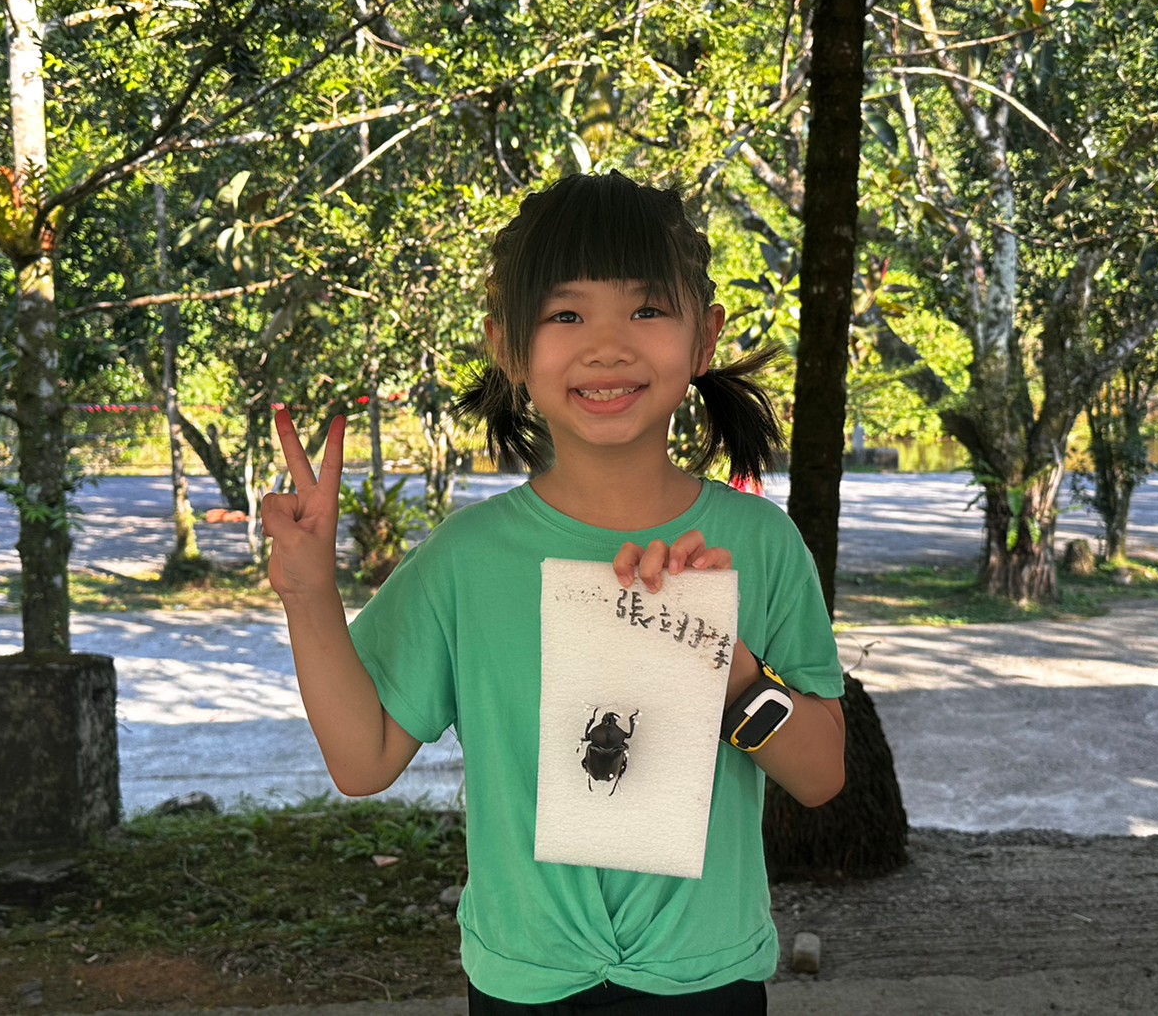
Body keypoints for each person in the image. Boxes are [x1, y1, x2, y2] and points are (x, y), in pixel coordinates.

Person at [264, 171, 846, 1015]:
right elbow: (363, 762)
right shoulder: (467, 559)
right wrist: (309, 591)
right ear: (507, 345)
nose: (606, 347)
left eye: (647, 309)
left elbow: (822, 775)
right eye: (565, 315)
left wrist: (731, 673)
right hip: (523, 983)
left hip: (706, 980)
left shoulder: (758, 544)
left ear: (704, 337)